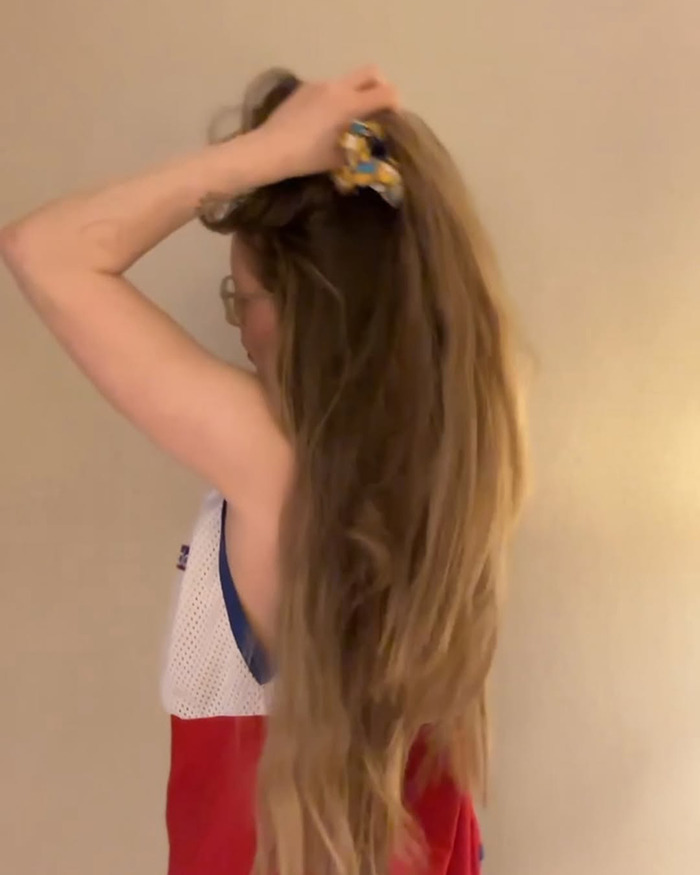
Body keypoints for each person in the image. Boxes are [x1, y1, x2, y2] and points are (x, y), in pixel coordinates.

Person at [0, 66, 525, 875]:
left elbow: (45, 251)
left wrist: (260, 155)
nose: (239, 331)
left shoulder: (275, 466)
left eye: (240, 297)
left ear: (307, 305)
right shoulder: (467, 456)